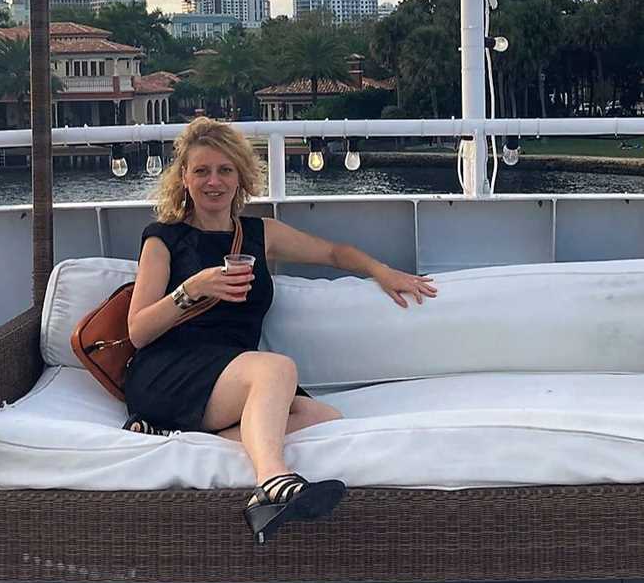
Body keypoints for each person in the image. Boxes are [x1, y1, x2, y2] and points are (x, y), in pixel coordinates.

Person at [124, 117, 438, 544]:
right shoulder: (163, 239)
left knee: (320, 417)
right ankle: (272, 484)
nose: (213, 181)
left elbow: (332, 252)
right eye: (201, 171)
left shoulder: (259, 233)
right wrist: (192, 289)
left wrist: (381, 272)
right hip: (168, 370)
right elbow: (138, 332)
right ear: (184, 178)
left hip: (231, 376)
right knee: (276, 370)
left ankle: (169, 433)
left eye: (224, 170)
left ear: (240, 177)